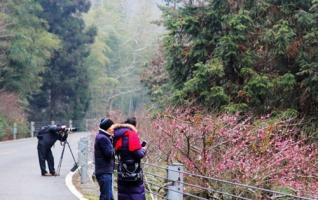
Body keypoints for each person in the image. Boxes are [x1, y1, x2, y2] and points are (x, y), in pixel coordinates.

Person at [113, 117, 146, 200]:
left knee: (124, 194)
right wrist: (143, 149)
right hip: (133, 173)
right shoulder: (131, 134)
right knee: (135, 194)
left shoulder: (118, 135)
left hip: (122, 171)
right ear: (134, 125)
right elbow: (138, 154)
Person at [94, 118, 115, 200]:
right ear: (108, 127)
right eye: (112, 126)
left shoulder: (102, 136)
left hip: (104, 171)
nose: (114, 129)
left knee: (109, 197)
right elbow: (109, 154)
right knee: (106, 197)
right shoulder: (103, 138)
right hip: (104, 172)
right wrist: (114, 147)